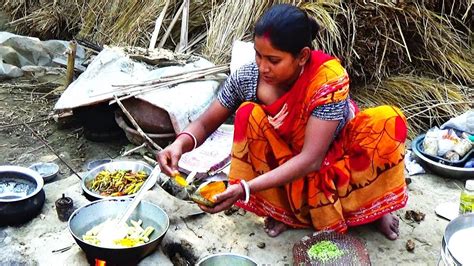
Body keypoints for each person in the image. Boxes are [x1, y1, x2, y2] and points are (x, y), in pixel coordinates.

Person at [157, 4, 408, 240]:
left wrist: (245, 189)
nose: (263, 67)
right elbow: (203, 125)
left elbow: (312, 159)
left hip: (333, 155)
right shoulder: (248, 78)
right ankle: (285, 210)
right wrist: (179, 145)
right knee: (247, 115)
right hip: (289, 161)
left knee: (387, 121)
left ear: (302, 56)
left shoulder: (327, 82)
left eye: (273, 60)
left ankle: (373, 207)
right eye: (258, 55)